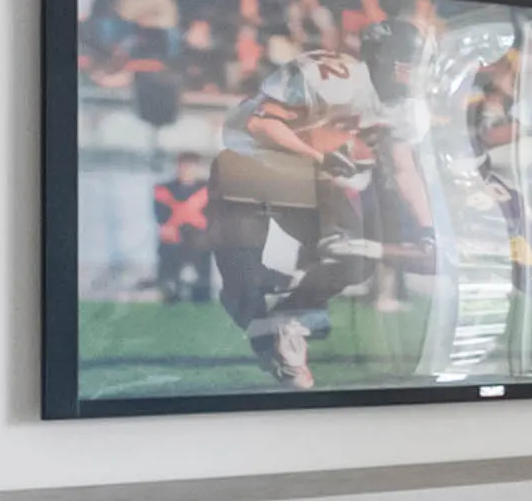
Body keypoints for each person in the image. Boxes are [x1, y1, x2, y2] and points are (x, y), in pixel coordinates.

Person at [208, 43, 392, 390]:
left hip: (305, 170)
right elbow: (261, 126)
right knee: (242, 287)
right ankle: (274, 351)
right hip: (248, 162)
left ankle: (288, 319)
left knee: (355, 255)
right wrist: (320, 158)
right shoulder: (335, 78)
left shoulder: (400, 102)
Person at [150, 153, 216, 303]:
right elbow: (161, 215)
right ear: (177, 167)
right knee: (169, 246)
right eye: (183, 166)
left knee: (203, 245)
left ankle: (201, 292)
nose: (186, 170)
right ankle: (170, 290)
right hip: (174, 239)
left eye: (190, 166)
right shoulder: (164, 189)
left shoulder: (208, 190)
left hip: (198, 239)